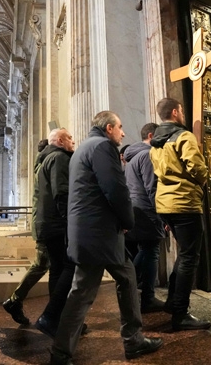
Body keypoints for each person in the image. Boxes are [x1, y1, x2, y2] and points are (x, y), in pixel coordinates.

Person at [50, 112, 162, 364]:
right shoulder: (103, 147)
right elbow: (115, 188)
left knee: (119, 278)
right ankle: (128, 340)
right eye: (120, 128)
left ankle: (130, 339)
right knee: (86, 291)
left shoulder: (83, 148)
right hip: (99, 232)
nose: (123, 133)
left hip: (90, 231)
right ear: (109, 128)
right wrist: (127, 221)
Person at [149, 97, 211, 331]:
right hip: (185, 203)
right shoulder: (184, 137)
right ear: (175, 112)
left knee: (184, 254)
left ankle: (172, 303)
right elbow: (196, 166)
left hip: (165, 204)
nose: (183, 114)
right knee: (189, 257)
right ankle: (180, 313)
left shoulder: (155, 143)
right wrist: (202, 181)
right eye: (182, 110)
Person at [2, 139, 55, 326]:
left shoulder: (41, 164)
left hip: (43, 224)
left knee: (44, 264)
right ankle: (17, 301)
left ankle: (18, 301)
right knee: (44, 265)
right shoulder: (50, 165)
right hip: (47, 225)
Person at [30, 128, 77, 338]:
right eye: (69, 138)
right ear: (59, 141)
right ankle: (50, 317)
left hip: (46, 223)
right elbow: (62, 193)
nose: (73, 141)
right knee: (69, 266)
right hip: (58, 223)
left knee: (58, 269)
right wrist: (70, 223)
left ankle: (57, 318)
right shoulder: (58, 157)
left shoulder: (44, 158)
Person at [123, 122, 166, 313]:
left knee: (145, 250)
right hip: (147, 211)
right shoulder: (148, 155)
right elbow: (153, 187)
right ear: (150, 135)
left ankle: (128, 288)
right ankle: (145, 297)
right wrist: (163, 215)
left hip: (135, 210)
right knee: (151, 251)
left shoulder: (132, 157)